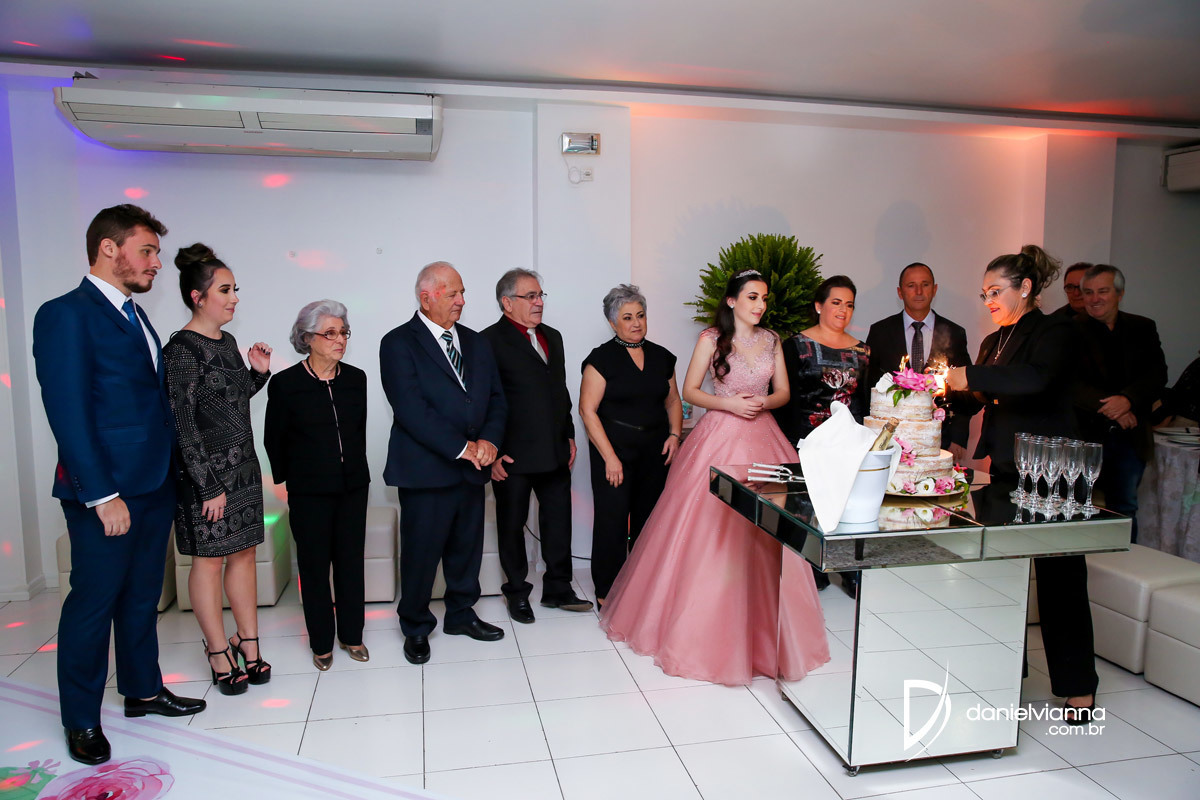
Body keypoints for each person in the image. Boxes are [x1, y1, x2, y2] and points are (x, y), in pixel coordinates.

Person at [33, 205, 205, 765]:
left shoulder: (136, 315)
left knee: (141, 597)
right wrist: (102, 495)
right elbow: (69, 413)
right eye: (147, 251)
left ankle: (142, 690)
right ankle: (81, 718)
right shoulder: (65, 314)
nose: (156, 263)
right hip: (106, 492)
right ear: (109, 248)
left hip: (154, 484)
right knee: (93, 604)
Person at [600, 270, 829, 686]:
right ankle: (706, 632)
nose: (760, 305)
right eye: (752, 297)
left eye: (764, 298)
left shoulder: (772, 340)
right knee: (710, 533)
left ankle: (771, 636)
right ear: (731, 301)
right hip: (720, 435)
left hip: (764, 436)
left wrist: (761, 403)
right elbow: (689, 391)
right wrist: (729, 404)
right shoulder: (711, 339)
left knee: (771, 534)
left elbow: (783, 393)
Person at [944, 244, 1097, 725]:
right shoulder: (994, 340)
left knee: (1060, 579)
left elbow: (1034, 380)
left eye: (996, 291)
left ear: (1025, 287)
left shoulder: (1055, 331)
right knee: (1003, 574)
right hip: (1008, 468)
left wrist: (969, 375)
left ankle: (1077, 687)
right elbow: (980, 395)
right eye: (984, 293)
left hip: (1054, 471)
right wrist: (936, 391)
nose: (988, 300)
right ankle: (1007, 674)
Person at [380, 261, 508, 664]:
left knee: (466, 550)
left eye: (462, 292)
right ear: (426, 297)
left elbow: (496, 398)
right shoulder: (398, 343)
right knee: (421, 554)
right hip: (425, 471)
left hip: (472, 469)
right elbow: (410, 408)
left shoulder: (476, 342)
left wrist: (489, 440)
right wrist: (462, 447)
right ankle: (416, 626)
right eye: (453, 293)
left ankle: (461, 615)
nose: (461, 301)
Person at [163, 243, 273, 696]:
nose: (234, 298)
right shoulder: (180, 350)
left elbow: (227, 403)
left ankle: (248, 642)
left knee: (243, 555)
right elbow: (183, 425)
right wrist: (208, 486)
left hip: (243, 470)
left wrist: (257, 374)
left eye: (234, 289)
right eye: (225, 290)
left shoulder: (226, 343)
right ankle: (216, 650)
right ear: (198, 296)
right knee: (208, 563)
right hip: (205, 479)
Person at [264, 300, 371, 671]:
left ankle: (352, 635)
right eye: (330, 333)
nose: (340, 339)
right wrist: (289, 480)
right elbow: (274, 438)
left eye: (343, 332)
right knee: (313, 568)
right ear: (307, 338)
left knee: (350, 564)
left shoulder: (356, 379)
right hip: (309, 492)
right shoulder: (285, 384)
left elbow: (357, 430)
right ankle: (321, 642)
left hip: (353, 487)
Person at [482, 269, 591, 623]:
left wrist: (569, 433)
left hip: (554, 448)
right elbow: (482, 401)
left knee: (558, 522)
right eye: (530, 296)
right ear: (507, 302)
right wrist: (492, 452)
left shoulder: (552, 336)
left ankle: (558, 587)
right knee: (511, 525)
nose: (539, 302)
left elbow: (559, 390)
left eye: (540, 295)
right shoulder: (487, 341)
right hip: (511, 454)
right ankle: (516, 592)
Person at [579, 285, 682, 605]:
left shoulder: (662, 356)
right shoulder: (600, 360)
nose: (636, 323)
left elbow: (673, 400)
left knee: (648, 520)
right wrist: (610, 458)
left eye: (640, 315)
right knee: (612, 521)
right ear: (613, 322)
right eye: (627, 317)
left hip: (655, 451)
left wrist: (675, 435)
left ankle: (642, 588)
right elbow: (587, 411)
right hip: (614, 452)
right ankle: (607, 592)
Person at [773, 275, 870, 596]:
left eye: (849, 305)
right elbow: (783, 397)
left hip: (849, 447)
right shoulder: (795, 345)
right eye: (836, 302)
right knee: (805, 507)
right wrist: (788, 444)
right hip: (806, 442)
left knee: (849, 507)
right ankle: (809, 570)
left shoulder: (863, 351)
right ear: (819, 306)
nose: (843, 310)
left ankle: (849, 570)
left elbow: (864, 401)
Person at [1072, 264, 1167, 543]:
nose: (1094, 299)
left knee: (1124, 508)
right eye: (1088, 292)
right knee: (1077, 508)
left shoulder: (1143, 327)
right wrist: (1113, 408)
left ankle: (1125, 564)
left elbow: (1157, 374)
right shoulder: (1069, 330)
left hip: (1130, 436)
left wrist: (1128, 401)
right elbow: (1068, 382)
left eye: (1102, 291)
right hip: (1084, 437)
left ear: (1120, 294)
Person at [865, 262, 972, 460]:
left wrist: (959, 437)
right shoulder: (880, 332)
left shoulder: (954, 333)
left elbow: (965, 391)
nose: (919, 291)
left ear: (935, 289)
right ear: (900, 292)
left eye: (925, 284)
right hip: (891, 439)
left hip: (941, 438)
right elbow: (869, 387)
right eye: (911, 285)